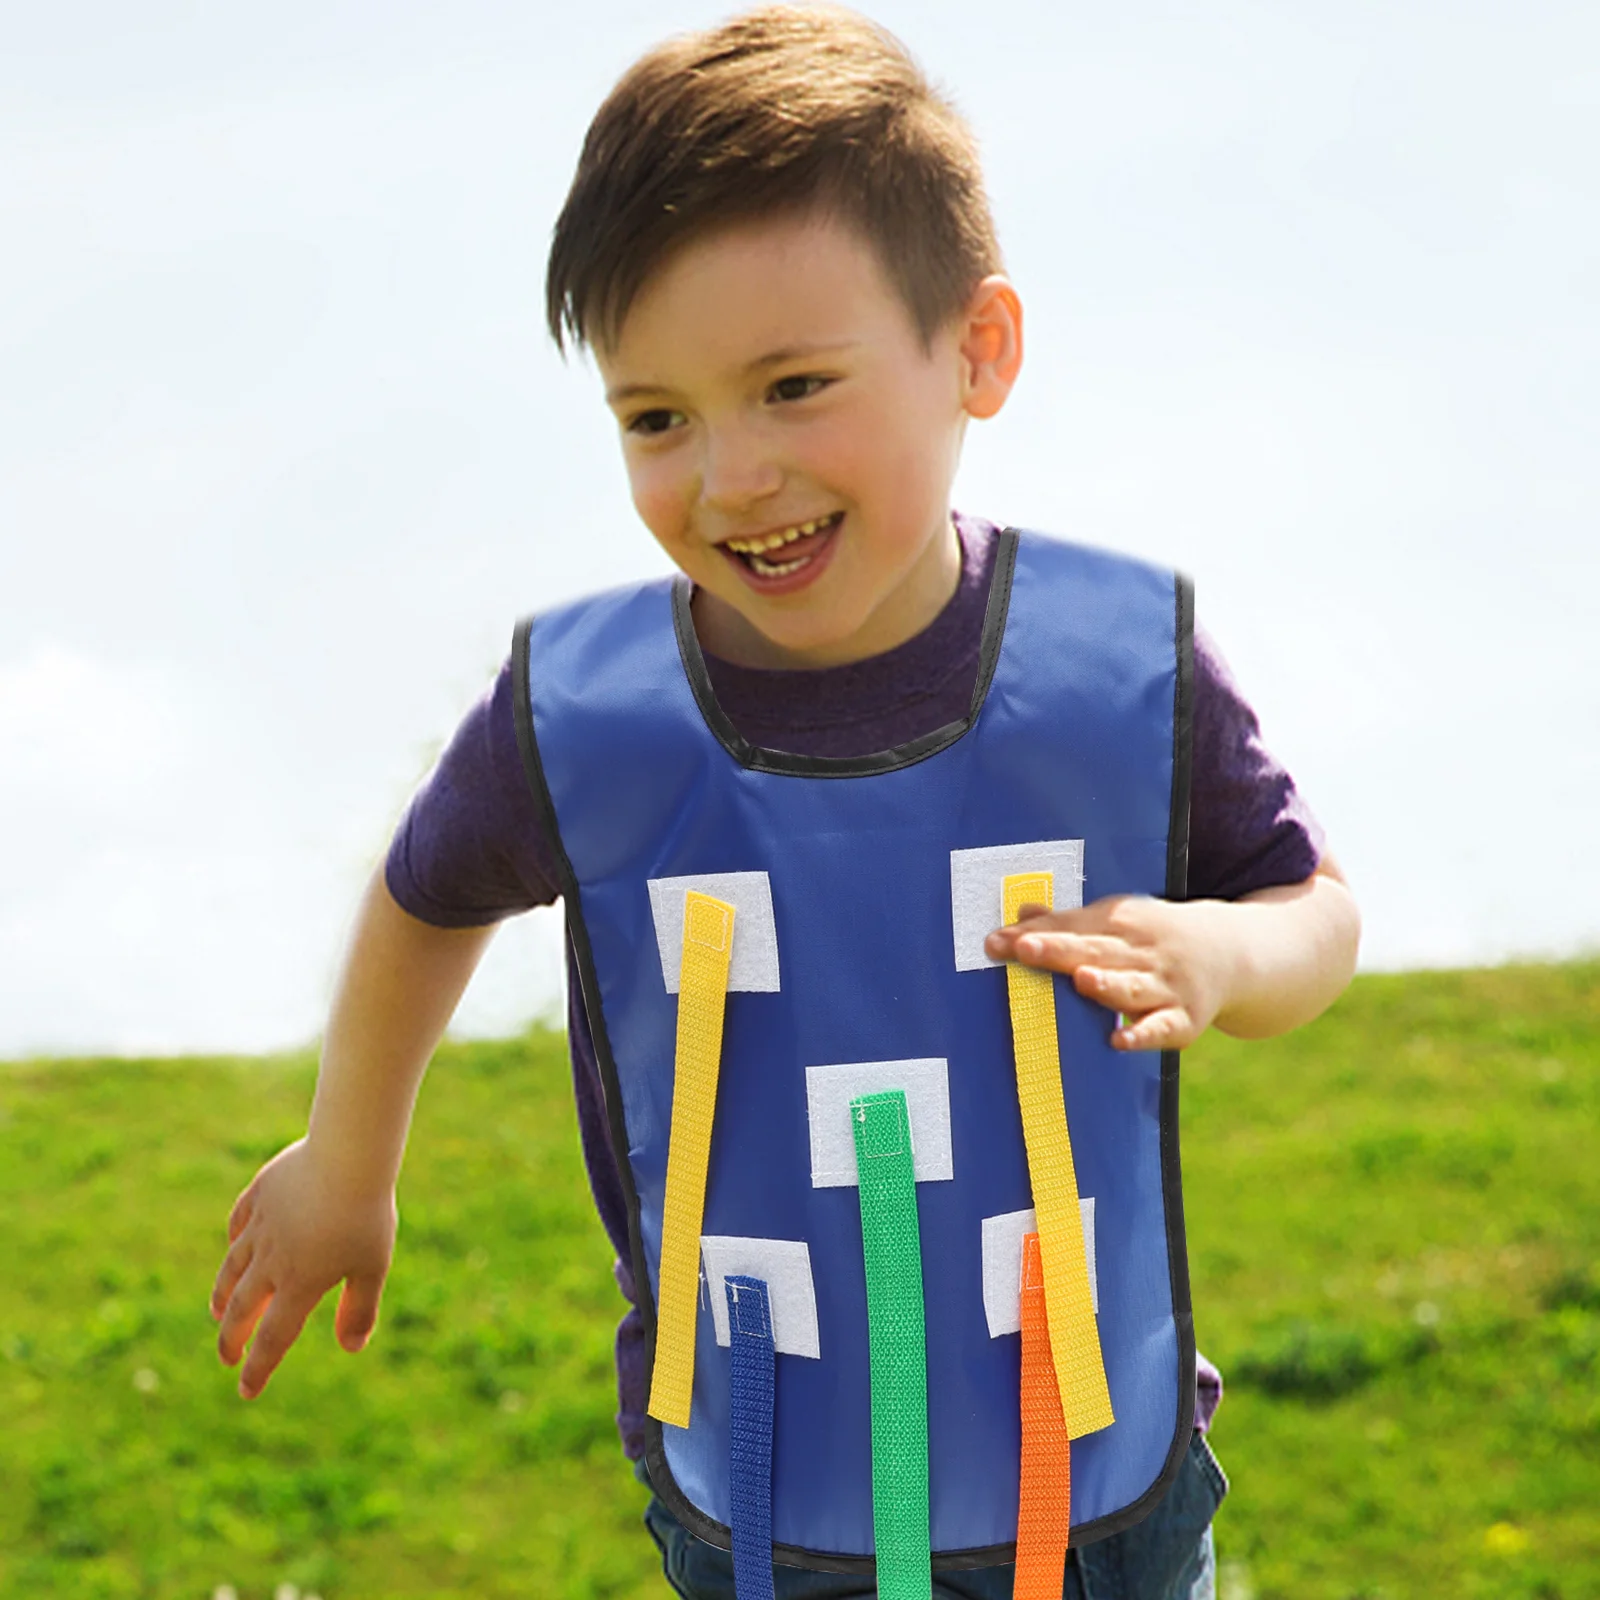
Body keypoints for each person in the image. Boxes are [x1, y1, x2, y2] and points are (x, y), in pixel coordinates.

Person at [209, 7, 1360, 1597]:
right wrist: (349, 1165)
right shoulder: (587, 714)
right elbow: (426, 896)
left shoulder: (1117, 672)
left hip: (1096, 1495)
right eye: (656, 417)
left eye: (793, 386)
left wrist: (1224, 961)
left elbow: (1314, 905)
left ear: (980, 351)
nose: (731, 474)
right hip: (758, 1498)